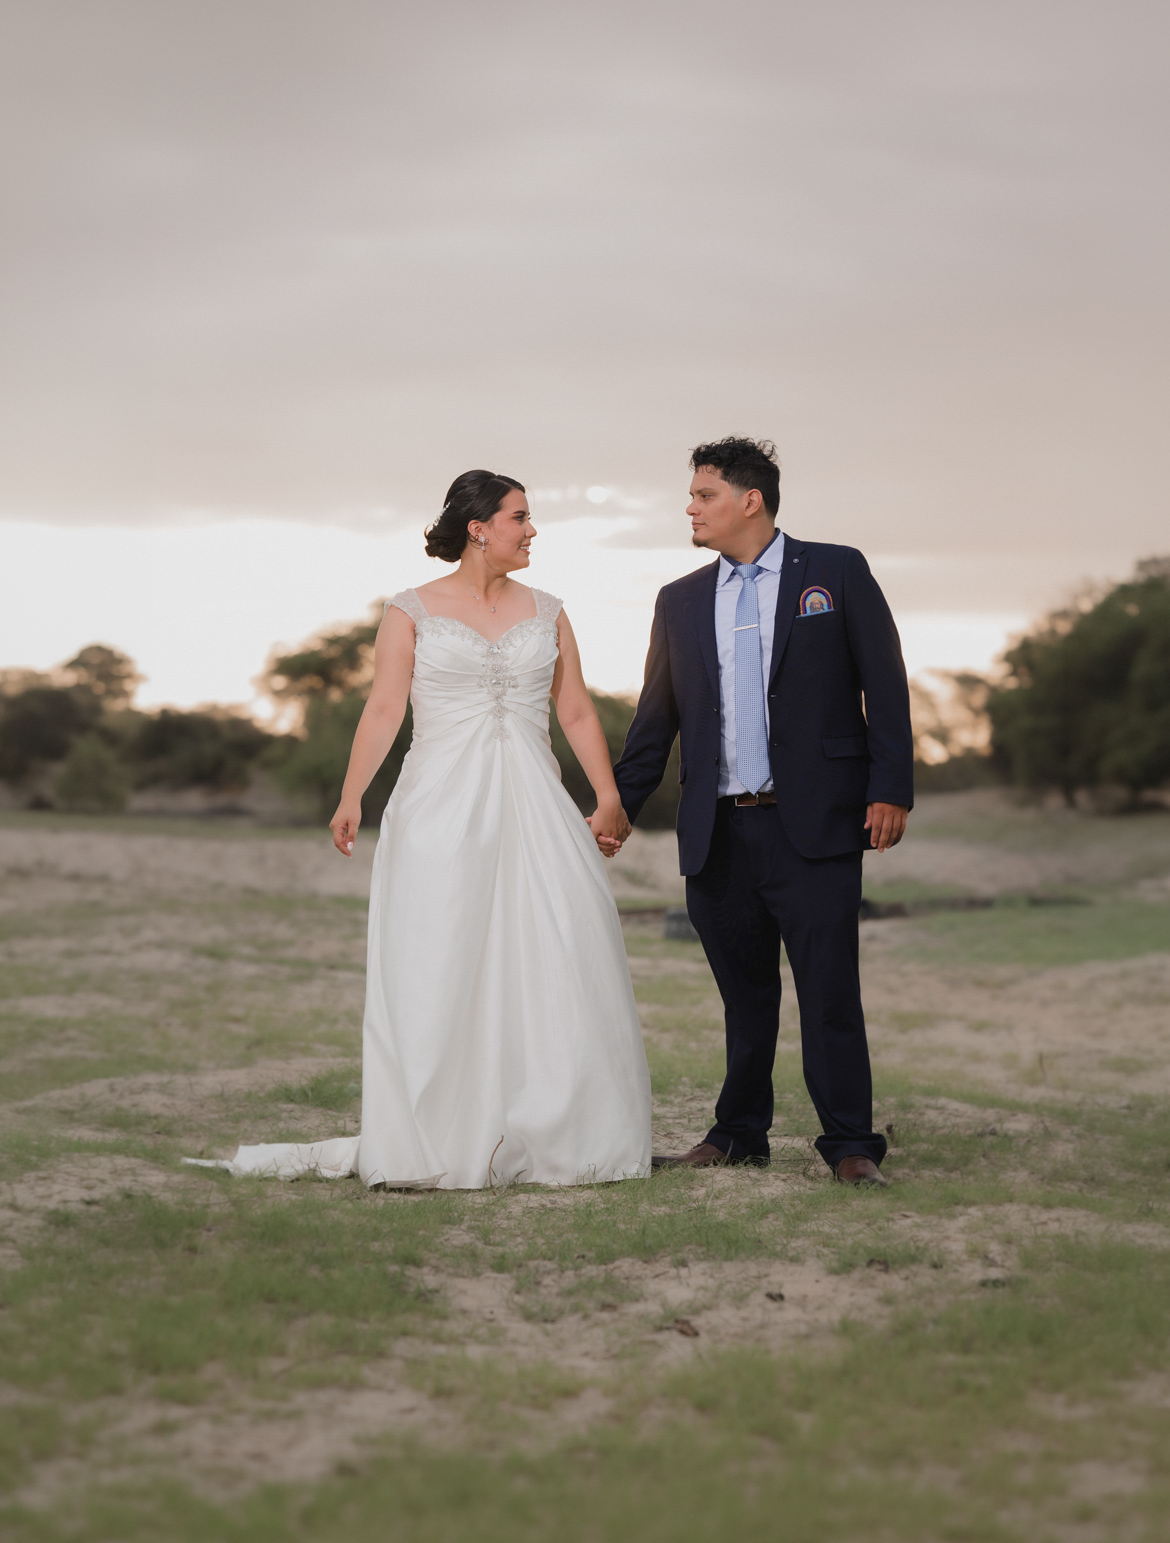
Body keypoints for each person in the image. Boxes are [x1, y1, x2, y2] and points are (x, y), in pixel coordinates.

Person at [198, 470, 653, 1189]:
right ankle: (440, 1132)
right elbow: (385, 708)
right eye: (519, 517)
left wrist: (607, 794)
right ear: (479, 528)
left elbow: (573, 710)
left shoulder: (549, 610)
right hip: (440, 807)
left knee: (562, 946)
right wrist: (352, 795)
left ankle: (560, 1129)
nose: (531, 530)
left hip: (536, 806)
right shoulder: (409, 610)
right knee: (440, 955)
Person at [610, 437, 913, 1187]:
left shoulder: (836, 570)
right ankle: (739, 1133)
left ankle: (850, 1145)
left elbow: (885, 683)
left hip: (814, 824)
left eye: (704, 494)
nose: (690, 507)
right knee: (744, 999)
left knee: (829, 993)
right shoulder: (680, 599)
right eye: (692, 495)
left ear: (751, 500)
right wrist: (615, 807)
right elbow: (655, 719)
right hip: (717, 831)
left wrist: (891, 787)